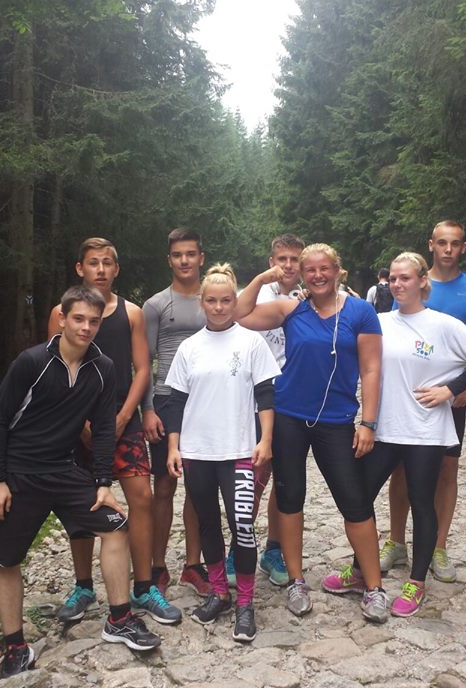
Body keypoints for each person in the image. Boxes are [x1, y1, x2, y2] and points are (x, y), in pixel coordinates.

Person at [0, 286, 161, 678]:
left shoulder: (103, 368)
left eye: (93, 321)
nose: (86, 327)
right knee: (6, 558)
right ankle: (15, 646)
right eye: (78, 319)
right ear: (62, 319)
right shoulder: (31, 362)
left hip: (65, 470)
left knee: (116, 526)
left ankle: (120, 619)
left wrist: (103, 482)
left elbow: (104, 429)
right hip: (20, 473)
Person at [323, 252, 466, 617]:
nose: (398, 284)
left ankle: (416, 582)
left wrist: (450, 390)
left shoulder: (443, 325)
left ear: (422, 281)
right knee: (359, 499)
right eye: (393, 279)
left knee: (421, 502)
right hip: (385, 428)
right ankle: (361, 570)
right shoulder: (379, 322)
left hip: (425, 431)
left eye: (405, 278)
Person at [235, 243, 388, 623]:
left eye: (325, 268)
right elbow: (239, 314)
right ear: (302, 276)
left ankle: (374, 587)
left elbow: (371, 369)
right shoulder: (292, 308)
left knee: (354, 501)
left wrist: (368, 422)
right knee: (290, 498)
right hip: (289, 415)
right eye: (310, 270)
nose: (318, 275)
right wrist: (264, 278)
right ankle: (296, 581)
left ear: (338, 270)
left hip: (336, 420)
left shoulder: (361, 312)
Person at [46, 238, 180, 626]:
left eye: (107, 263)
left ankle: (144, 585)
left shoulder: (131, 313)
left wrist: (124, 417)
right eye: (93, 263)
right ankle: (83, 585)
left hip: (123, 417)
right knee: (81, 501)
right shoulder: (61, 313)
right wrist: (76, 421)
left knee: (141, 497)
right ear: (80, 268)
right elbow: (52, 367)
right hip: (76, 424)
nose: (101, 269)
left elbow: (143, 368)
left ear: (116, 269)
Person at [164, 264, 281, 642]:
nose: (218, 307)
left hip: (239, 450)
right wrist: (173, 446)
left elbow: (266, 395)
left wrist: (266, 439)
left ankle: (245, 602)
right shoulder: (189, 348)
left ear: (234, 301)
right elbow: (175, 401)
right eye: (211, 301)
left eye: (226, 300)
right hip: (198, 451)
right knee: (207, 523)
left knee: (242, 525)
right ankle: (219, 591)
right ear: (202, 303)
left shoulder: (251, 343)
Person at [383, 221, 466, 582]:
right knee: (400, 470)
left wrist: (465, 387)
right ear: (431, 245)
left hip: (451, 398)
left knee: (448, 470)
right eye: (442, 243)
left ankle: (438, 546)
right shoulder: (407, 280)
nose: (448, 249)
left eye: (455, 243)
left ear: (464, 247)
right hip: (407, 400)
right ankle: (396, 541)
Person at [226, 232, 304, 589]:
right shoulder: (258, 292)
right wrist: (260, 279)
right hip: (255, 394)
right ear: (272, 260)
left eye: (294, 259)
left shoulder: (306, 296)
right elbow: (236, 315)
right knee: (253, 476)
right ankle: (237, 547)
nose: (287, 266)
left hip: (291, 394)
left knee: (282, 476)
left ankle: (273, 548)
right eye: (281, 259)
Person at [142, 228, 209, 596]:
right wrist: (148, 409)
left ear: (201, 257)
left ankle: (193, 565)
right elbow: (144, 362)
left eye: (190, 254)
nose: (185, 260)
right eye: (178, 255)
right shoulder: (156, 305)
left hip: (206, 401)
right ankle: (157, 565)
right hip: (168, 399)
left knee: (198, 487)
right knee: (164, 485)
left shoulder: (214, 298)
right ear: (169, 260)